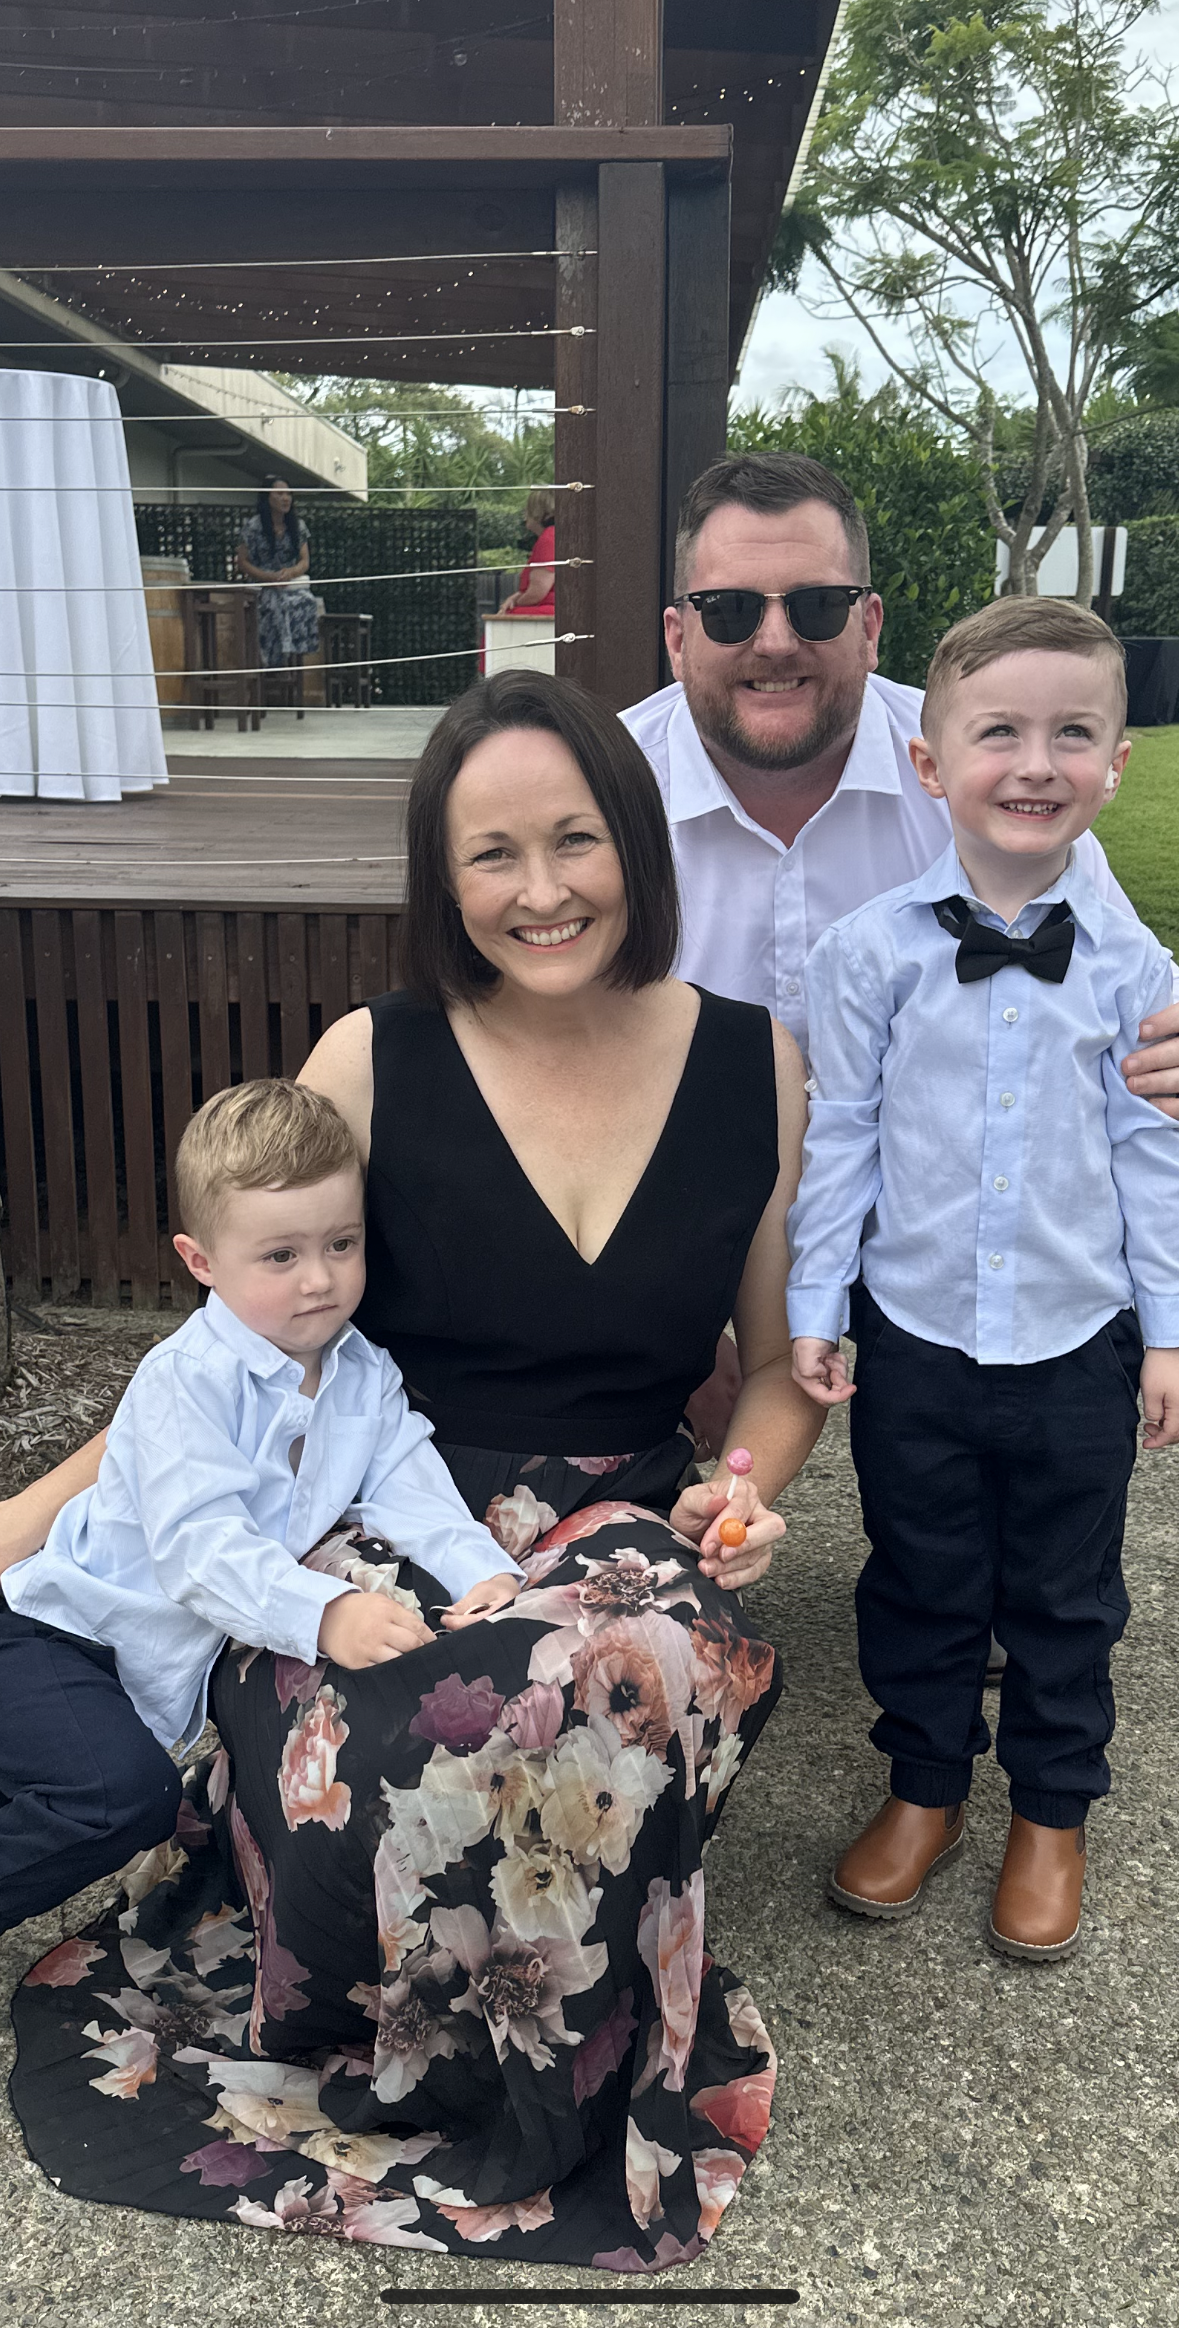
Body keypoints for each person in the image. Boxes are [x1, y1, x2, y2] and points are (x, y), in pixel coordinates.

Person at [7, 670, 822, 2273]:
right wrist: (30, 1513)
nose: (539, 891)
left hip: (634, 1514)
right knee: (395, 1725)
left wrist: (736, 1488)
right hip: (383, 1501)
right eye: (489, 855)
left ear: (635, 844)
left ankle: (557, 2065)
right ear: (440, 880)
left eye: (574, 840)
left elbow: (784, 1371)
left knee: (629, 1668)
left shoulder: (754, 1063)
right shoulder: (369, 1058)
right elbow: (228, 1349)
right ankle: (416, 2030)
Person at [622, 448, 1179, 1453]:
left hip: (944, 1267)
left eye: (820, 607)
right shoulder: (607, 792)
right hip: (678, 1215)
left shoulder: (991, 773)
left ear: (871, 626)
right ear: (677, 635)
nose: (777, 642)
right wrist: (655, 1300)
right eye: (731, 610)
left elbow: (1130, 998)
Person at [786, 599, 1179, 1961]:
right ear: (927, 761)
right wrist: (810, 1305)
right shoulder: (865, 955)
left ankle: (1051, 1812)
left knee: (1067, 1591)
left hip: (1077, 1339)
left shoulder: (1136, 969)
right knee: (919, 1573)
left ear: (1114, 763)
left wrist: (1166, 1336)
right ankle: (924, 1789)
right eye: (994, 732)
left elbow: (1150, 1153)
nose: (1030, 762)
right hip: (914, 1336)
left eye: (1068, 733)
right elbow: (838, 1136)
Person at [0, 1078, 523, 1932]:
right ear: (200, 1261)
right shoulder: (184, 1381)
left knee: (103, 1782)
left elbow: (411, 1487)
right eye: (280, 1256)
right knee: (118, 1797)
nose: (319, 1279)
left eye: (341, 1244)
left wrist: (484, 1574)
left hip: (134, 1671)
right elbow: (198, 1548)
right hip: (55, 1629)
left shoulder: (362, 1374)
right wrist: (325, 1612)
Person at [235, 475, 320, 672]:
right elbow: (242, 561)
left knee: (307, 601)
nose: (286, 498)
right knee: (275, 605)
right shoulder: (253, 527)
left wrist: (288, 573)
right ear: (267, 497)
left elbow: (304, 561)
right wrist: (268, 578)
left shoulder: (297, 526)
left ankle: (295, 655)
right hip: (262, 585)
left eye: (289, 493)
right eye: (280, 493)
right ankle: (273, 661)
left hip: (289, 583)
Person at [495, 484, 556, 618]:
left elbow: (537, 593)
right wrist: (516, 596)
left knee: (503, 620)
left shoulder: (549, 538)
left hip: (548, 611)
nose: (525, 514)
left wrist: (515, 603)